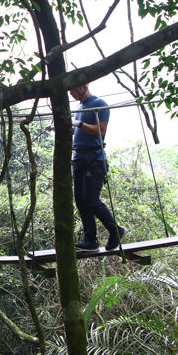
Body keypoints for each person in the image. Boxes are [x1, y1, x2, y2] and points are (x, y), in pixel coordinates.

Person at [70, 83, 126, 251]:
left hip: (94, 159)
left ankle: (116, 230)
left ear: (83, 86)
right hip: (79, 158)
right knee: (80, 200)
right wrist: (68, 127)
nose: (71, 94)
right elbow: (80, 131)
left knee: (91, 200)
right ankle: (90, 240)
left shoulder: (99, 104)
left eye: (73, 90)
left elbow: (100, 130)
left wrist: (78, 124)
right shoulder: (80, 107)